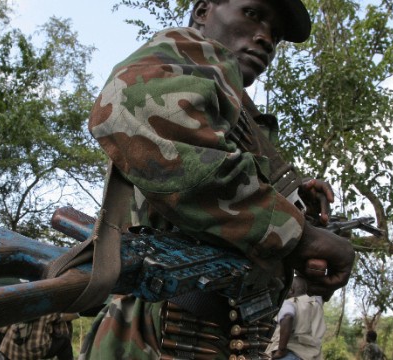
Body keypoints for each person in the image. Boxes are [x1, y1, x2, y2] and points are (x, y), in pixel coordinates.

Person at [78, 0, 355, 358]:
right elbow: (128, 109)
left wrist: (296, 205)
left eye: (277, 33)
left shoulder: (240, 114)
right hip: (153, 335)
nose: (266, 38)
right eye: (254, 14)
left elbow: (236, 228)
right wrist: (294, 233)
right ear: (204, 10)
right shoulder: (187, 51)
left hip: (232, 338)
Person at [266, 276, 326, 359]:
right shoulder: (316, 306)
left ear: (291, 290)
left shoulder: (290, 302)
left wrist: (281, 350)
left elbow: (287, 318)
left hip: (290, 354)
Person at [0, 313, 77, 360]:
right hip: (34, 349)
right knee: (65, 343)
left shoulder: (18, 302)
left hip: (9, 351)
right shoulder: (48, 305)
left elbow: (2, 329)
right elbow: (61, 322)